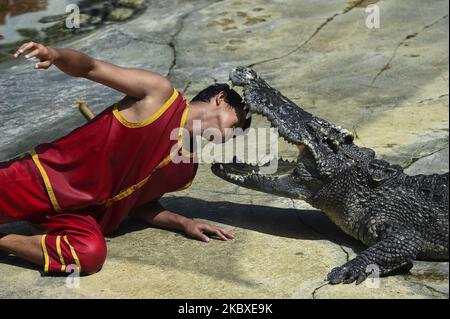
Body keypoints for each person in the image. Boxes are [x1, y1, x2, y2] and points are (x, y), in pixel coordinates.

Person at [0, 42, 251, 275]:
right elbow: (91, 67)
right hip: (40, 181)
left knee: (90, 256)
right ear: (220, 99)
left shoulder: (186, 168)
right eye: (236, 123)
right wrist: (55, 55)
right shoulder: (159, 96)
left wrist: (185, 222)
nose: (233, 134)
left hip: (75, 215)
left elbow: (139, 205)